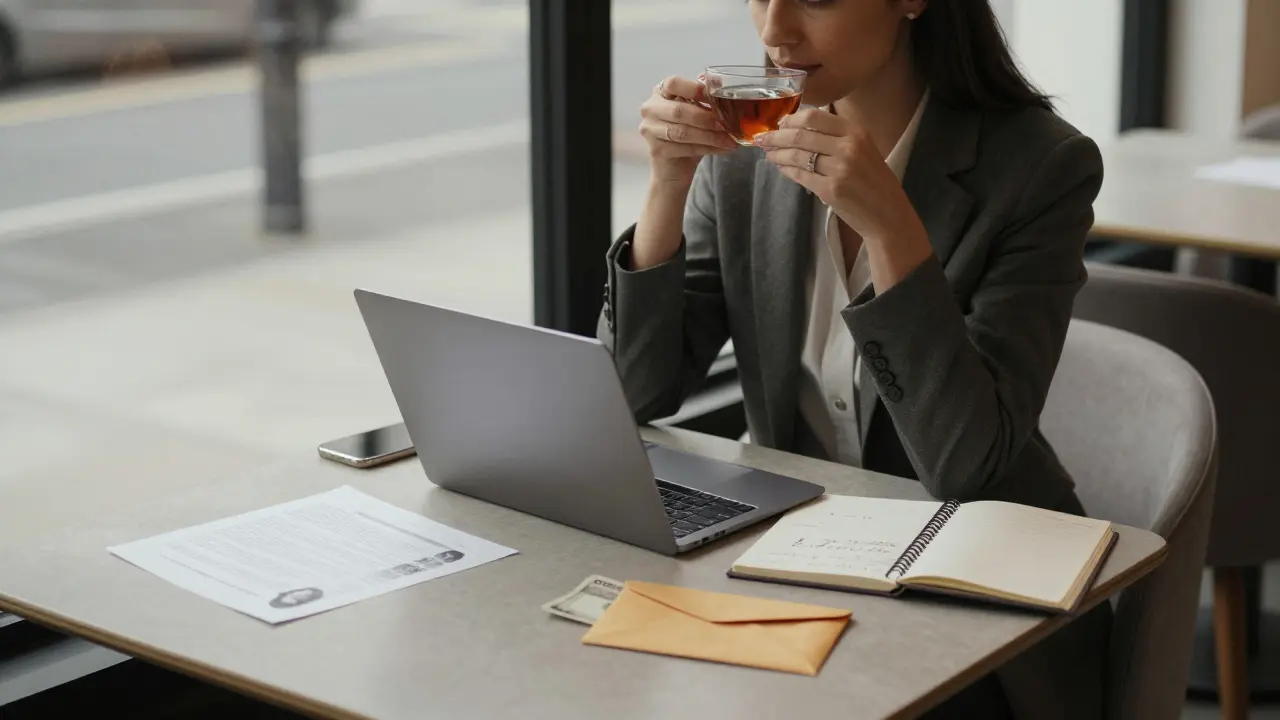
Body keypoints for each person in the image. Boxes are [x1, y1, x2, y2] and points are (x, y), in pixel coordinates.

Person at [597, 1, 1106, 718]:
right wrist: (668, 184)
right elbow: (633, 392)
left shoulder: (1041, 166)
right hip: (789, 563)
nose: (775, 30)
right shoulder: (751, 149)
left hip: (972, 595)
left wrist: (893, 228)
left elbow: (967, 464)